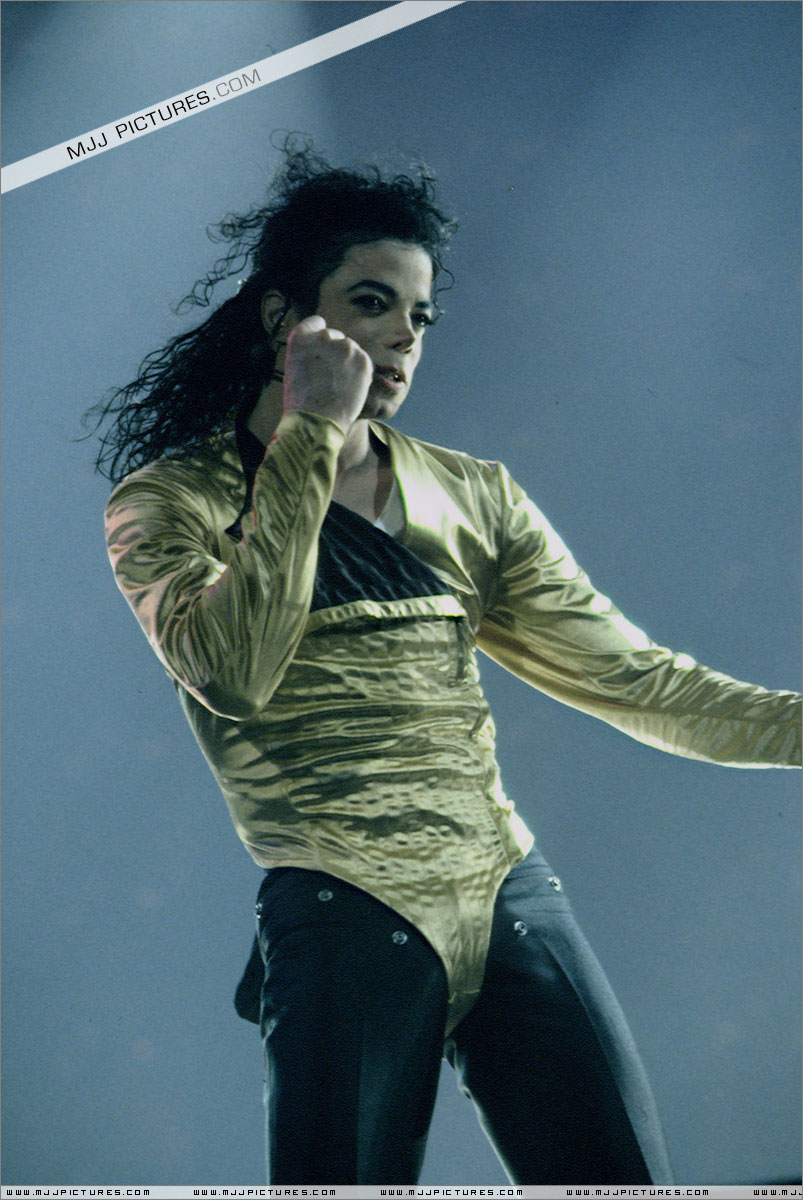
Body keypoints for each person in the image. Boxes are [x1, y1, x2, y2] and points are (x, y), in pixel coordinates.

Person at [95, 141, 801, 1186]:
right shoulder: (170, 501)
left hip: (510, 893)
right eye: (370, 303)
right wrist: (309, 435)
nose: (400, 338)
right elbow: (233, 671)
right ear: (283, 319)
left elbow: (639, 682)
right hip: (343, 905)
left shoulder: (475, 494)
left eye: (418, 318)